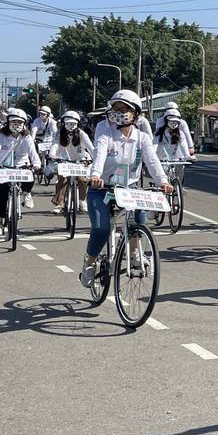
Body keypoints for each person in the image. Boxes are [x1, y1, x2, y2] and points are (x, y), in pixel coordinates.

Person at [81, 90, 172, 288]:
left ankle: (134, 252)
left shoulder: (142, 138)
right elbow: (100, 152)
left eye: (124, 109)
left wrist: (163, 181)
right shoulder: (104, 130)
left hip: (128, 189)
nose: (119, 113)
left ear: (136, 114)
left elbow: (152, 161)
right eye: (115, 109)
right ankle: (90, 262)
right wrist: (95, 175)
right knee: (101, 228)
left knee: (139, 218)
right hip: (102, 188)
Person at [0, 108, 41, 235]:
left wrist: (37, 164)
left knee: (30, 176)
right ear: (8, 123)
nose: (16, 125)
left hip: (21, 166)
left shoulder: (26, 136)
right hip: (5, 167)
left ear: (24, 125)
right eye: (13, 122)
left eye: (19, 123)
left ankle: (26, 194)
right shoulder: (1, 134)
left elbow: (32, 152)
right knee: (1, 191)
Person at [49, 110, 93, 214]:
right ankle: (60, 203)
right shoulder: (59, 134)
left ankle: (82, 200)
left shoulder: (82, 134)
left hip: (81, 160)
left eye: (73, 124)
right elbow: (54, 145)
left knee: (83, 180)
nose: (71, 126)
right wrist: (52, 154)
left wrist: (93, 158)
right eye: (68, 123)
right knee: (62, 179)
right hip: (65, 160)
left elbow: (91, 148)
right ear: (63, 123)